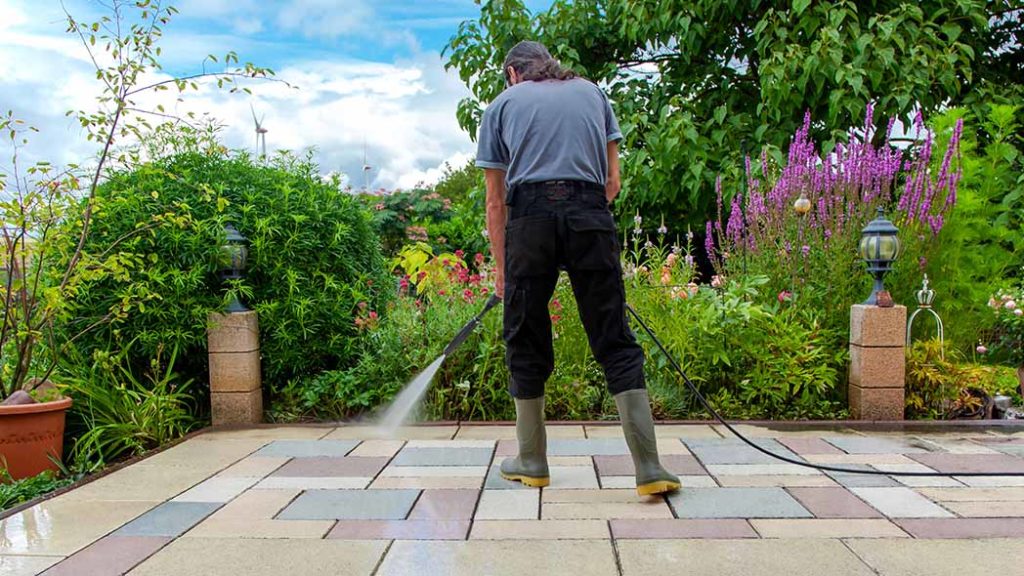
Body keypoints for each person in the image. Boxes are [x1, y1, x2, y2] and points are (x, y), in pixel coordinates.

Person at [476, 41, 680, 496]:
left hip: (528, 221)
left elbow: (494, 200)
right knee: (614, 336)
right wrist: (581, 220)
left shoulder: (502, 105)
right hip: (590, 214)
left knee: (525, 333)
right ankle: (649, 468)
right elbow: (612, 183)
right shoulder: (593, 93)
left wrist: (502, 269)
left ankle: (532, 460)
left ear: (513, 73)